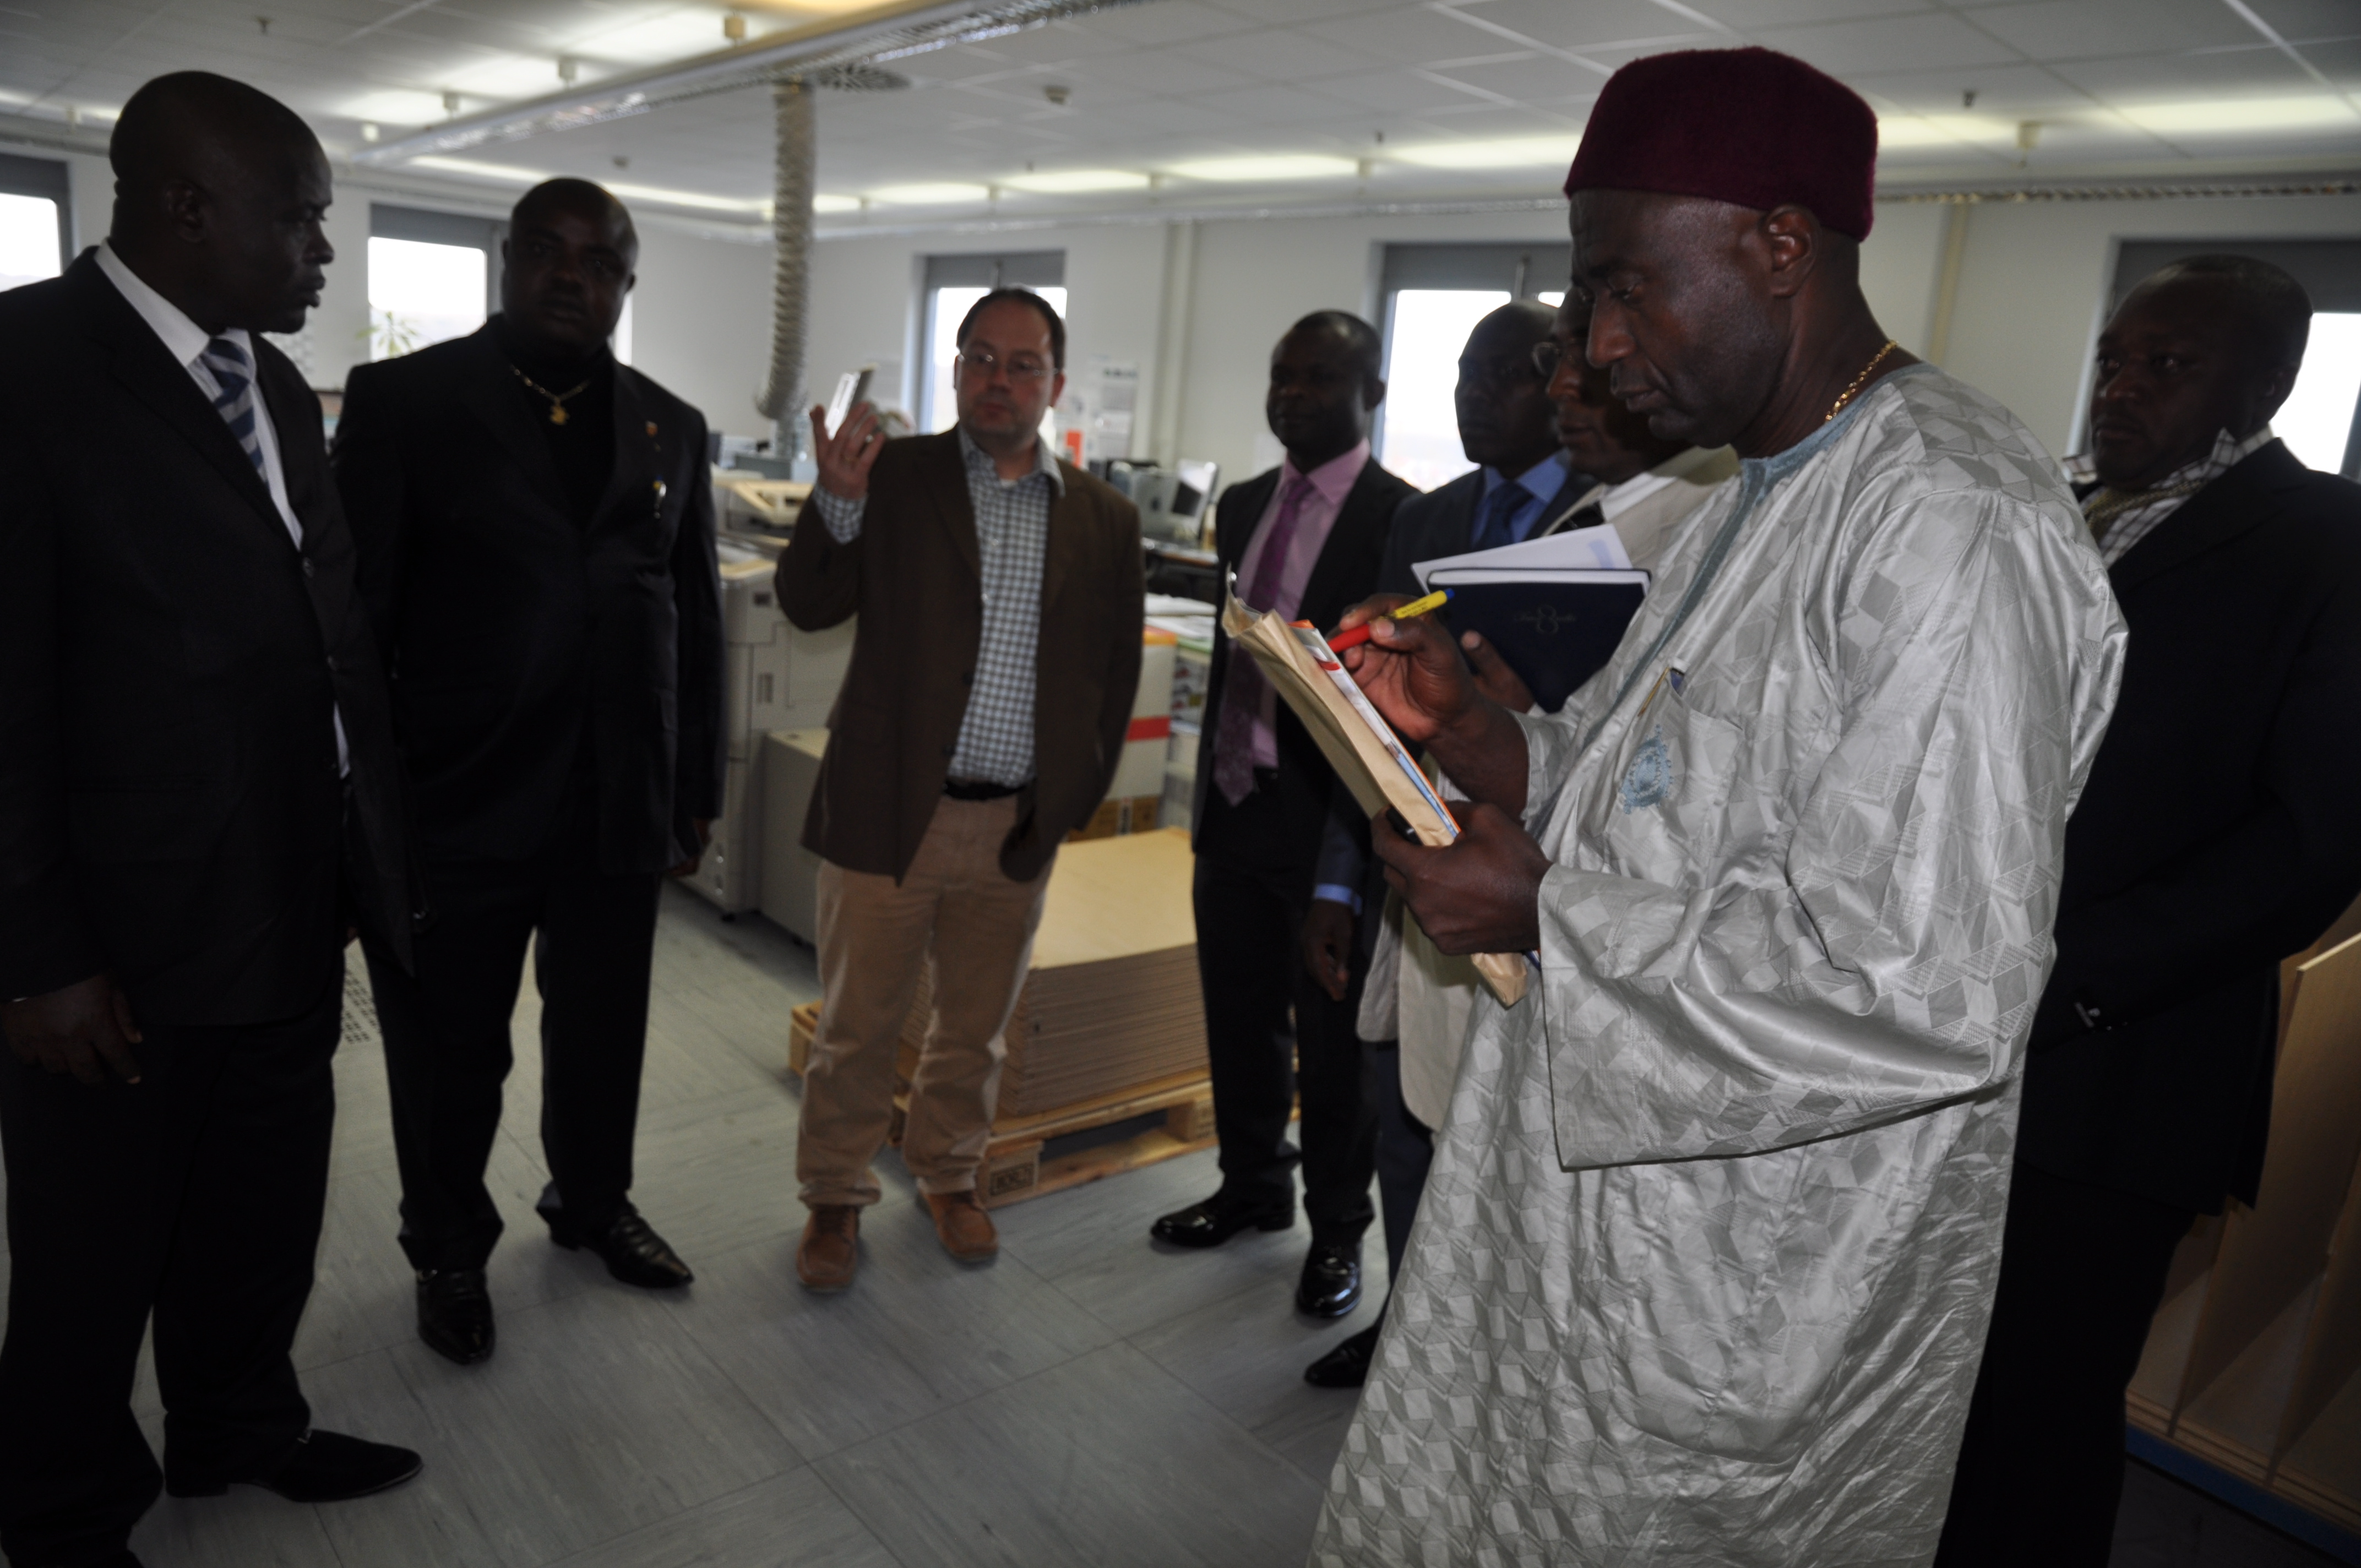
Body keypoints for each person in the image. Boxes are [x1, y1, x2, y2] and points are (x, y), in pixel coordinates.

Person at [1309, 47, 2128, 1565]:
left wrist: (1544, 915)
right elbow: (1670, 802)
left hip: (1746, 1286)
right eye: (1586, 297)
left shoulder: (1947, 519)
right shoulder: (1757, 489)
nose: (1600, 345)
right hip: (1595, 1229)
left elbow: (1925, 990)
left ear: (1780, 245)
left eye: (1629, 288)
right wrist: (1489, 740)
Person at [0, 72, 425, 1567]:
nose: (323, 250)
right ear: (188, 209)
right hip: (117, 938)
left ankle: (237, 1422)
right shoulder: (26, 371)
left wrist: (369, 860)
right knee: (91, 1243)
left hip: (288, 897)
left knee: (260, 1203)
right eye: (298, 219)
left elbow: (328, 634)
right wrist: (37, 954)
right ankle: (60, 1511)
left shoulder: (277, 387)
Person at [1935, 257, 2361, 1565]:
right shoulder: (2063, 514)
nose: (2120, 388)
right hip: (1946, 1027)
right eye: (2112, 359)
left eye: (2165, 366)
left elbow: (2311, 840)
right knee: (1923, 1390)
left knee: (2035, 1414)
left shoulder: (2327, 540)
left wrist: (2050, 974)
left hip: (2116, 1061)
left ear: (2268, 384)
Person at [1301, 292, 1738, 1389]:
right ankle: (1409, 1350)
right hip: (1439, 900)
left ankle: (1450, 1371)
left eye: (1576, 361)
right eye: (1554, 359)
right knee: (1408, 1141)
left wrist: (1498, 723)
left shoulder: (1706, 534)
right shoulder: (1546, 518)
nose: (1566, 385)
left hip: (1553, 934)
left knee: (1499, 1230)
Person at [334, 179, 722, 1366]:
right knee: (454, 1050)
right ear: (507, 261)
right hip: (460, 799)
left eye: (599, 261)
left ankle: (592, 1201)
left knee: (604, 1030)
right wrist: (369, 813)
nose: (571, 274)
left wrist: (691, 796)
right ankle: (448, 1246)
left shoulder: (669, 426)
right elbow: (354, 627)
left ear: (626, 283)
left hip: (616, 803)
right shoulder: (406, 402)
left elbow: (692, 624)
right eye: (548, 250)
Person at [784, 288, 1143, 1290]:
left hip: (1015, 823)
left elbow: (1113, 675)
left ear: (1055, 385)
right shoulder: (894, 477)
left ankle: (949, 1174)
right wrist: (836, 503)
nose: (999, 380)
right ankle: (833, 1193)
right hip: (891, 808)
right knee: (858, 1024)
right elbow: (808, 603)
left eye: (1023, 365)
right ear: (955, 370)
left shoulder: (1105, 519)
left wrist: (1069, 803)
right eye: (980, 357)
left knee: (976, 1028)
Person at [1149, 312, 1416, 1323]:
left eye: (1319, 378)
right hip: (1233, 807)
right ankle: (1251, 1187)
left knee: (1334, 1047)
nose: (1292, 395)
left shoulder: (1399, 519)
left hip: (1329, 830)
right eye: (1281, 375)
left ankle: (1337, 1231)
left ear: (1372, 396)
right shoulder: (1244, 503)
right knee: (1238, 1015)